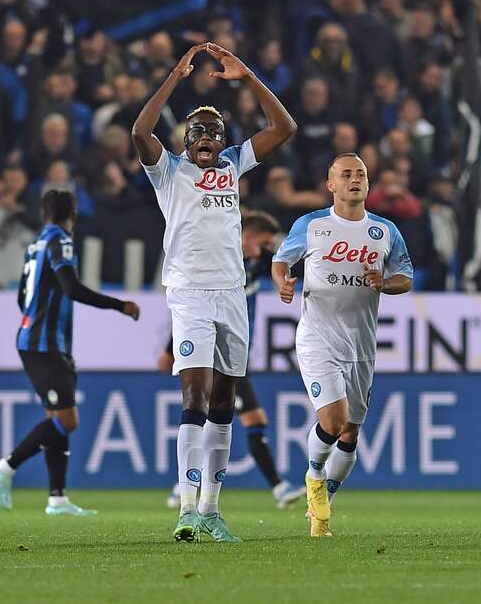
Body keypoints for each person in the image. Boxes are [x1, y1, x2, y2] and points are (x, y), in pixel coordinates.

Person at [132, 42, 296, 543]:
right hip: (189, 293)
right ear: (184, 139)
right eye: (198, 131)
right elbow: (141, 131)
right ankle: (185, 507)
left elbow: (285, 128)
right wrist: (175, 78)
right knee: (196, 397)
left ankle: (210, 509)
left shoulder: (231, 167)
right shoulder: (168, 171)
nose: (207, 137)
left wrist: (248, 77)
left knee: (224, 403)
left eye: (215, 132)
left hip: (232, 296)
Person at [271, 152, 413, 537]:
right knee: (332, 422)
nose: (355, 179)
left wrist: (384, 283)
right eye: (346, 174)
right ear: (330, 184)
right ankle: (314, 476)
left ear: (368, 184)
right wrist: (283, 281)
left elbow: (405, 276)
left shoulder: (385, 231)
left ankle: (324, 501)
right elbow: (281, 261)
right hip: (318, 335)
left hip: (361, 343)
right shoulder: (312, 225)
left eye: (361, 174)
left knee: (350, 432)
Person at [0, 189, 140, 516]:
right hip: (44, 344)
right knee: (67, 420)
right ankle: (5, 467)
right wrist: (119, 305)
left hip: (39, 340)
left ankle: (57, 498)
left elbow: (23, 298)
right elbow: (72, 287)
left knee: (56, 418)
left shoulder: (35, 243)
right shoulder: (61, 241)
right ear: (73, 216)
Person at [162, 211, 306, 510]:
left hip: (235, 354)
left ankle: (183, 487)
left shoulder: (251, 266)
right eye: (263, 243)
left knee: (224, 418)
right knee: (237, 418)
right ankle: (277, 488)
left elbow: (289, 267)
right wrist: (170, 347)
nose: (266, 250)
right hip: (214, 354)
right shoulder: (222, 269)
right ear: (246, 237)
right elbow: (194, 309)